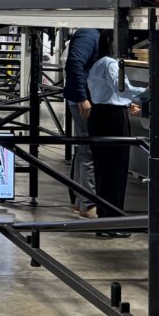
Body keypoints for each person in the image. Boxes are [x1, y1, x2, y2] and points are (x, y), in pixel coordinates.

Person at [87, 30, 145, 234]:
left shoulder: (97, 64)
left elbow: (110, 92)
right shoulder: (110, 64)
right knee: (116, 170)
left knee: (105, 170)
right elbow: (122, 89)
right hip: (112, 118)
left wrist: (127, 103)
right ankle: (113, 223)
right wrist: (152, 90)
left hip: (100, 115)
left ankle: (105, 222)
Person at [64, 29, 101, 219]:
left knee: (83, 150)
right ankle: (88, 204)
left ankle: (81, 202)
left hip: (82, 98)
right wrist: (82, 97)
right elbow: (75, 64)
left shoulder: (91, 33)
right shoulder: (89, 34)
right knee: (89, 151)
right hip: (82, 100)